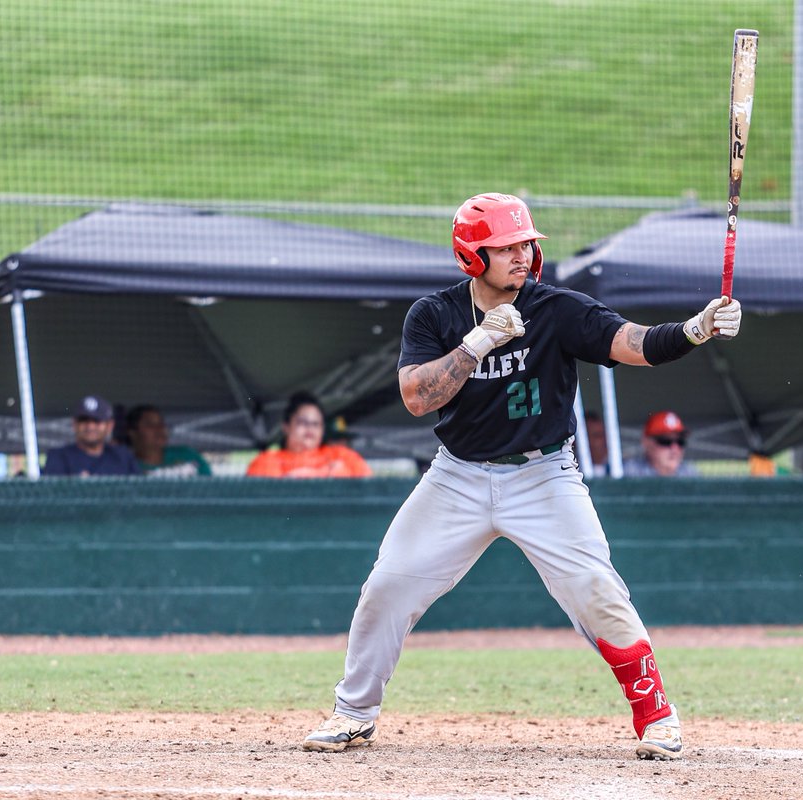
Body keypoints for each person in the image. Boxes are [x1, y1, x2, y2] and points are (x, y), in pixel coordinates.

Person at [300, 193, 742, 762]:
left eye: (524, 243)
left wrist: (695, 329)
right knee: (388, 585)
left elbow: (634, 344)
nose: (520, 253)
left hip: (544, 475)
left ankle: (657, 717)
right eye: (503, 246)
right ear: (471, 256)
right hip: (455, 477)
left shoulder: (557, 309)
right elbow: (416, 397)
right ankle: (354, 714)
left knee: (597, 588)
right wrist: (479, 342)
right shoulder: (434, 315)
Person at [245, 391, 372, 478]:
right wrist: (325, 472)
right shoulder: (267, 460)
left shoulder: (342, 455)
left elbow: (368, 487)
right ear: (286, 427)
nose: (310, 428)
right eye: (303, 422)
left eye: (316, 424)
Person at [43, 395, 143, 476]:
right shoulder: (59, 457)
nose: (90, 427)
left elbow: (137, 493)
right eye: (84, 421)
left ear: (109, 426)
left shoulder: (123, 457)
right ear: (74, 424)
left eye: (96, 421)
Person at [125, 405, 212, 478]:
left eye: (161, 424)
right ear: (132, 432)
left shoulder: (187, 455)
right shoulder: (126, 467)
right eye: (150, 425)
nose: (160, 429)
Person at [622, 410, 699, 477]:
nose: (675, 448)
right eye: (665, 441)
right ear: (646, 442)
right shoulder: (628, 472)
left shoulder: (690, 474)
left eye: (680, 442)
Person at [583, 410, 610, 475]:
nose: (605, 441)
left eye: (605, 435)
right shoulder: (572, 473)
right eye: (597, 436)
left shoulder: (622, 471)